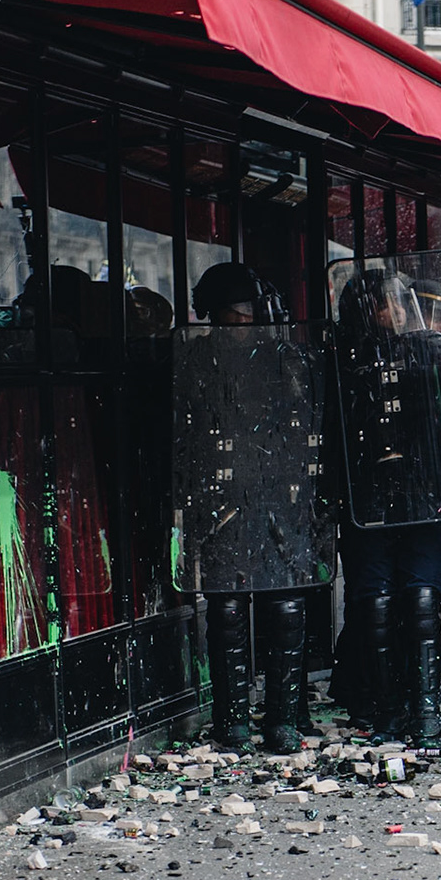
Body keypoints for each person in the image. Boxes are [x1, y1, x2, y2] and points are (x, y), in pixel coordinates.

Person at [187, 260, 316, 749]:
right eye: (239, 310)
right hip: (221, 499)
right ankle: (232, 719)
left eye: (250, 309)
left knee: (284, 605)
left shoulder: (284, 360)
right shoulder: (198, 361)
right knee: (227, 610)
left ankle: (282, 716)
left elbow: (304, 426)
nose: (247, 319)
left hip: (276, 496)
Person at [333, 267, 441, 748]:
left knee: (423, 597)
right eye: (387, 304)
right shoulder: (342, 361)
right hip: (367, 497)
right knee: (376, 602)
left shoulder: (428, 353)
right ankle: (386, 707)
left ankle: (425, 708)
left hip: (421, 493)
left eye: (402, 302)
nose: (400, 313)